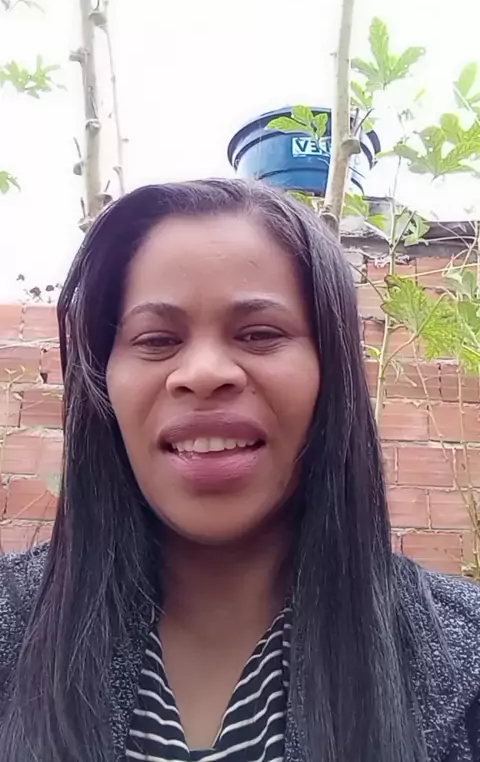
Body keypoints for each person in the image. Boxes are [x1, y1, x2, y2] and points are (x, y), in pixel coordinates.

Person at [0, 178, 479, 762]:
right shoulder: (11, 624)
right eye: (157, 339)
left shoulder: (463, 658)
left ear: (331, 372)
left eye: (259, 334)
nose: (203, 373)